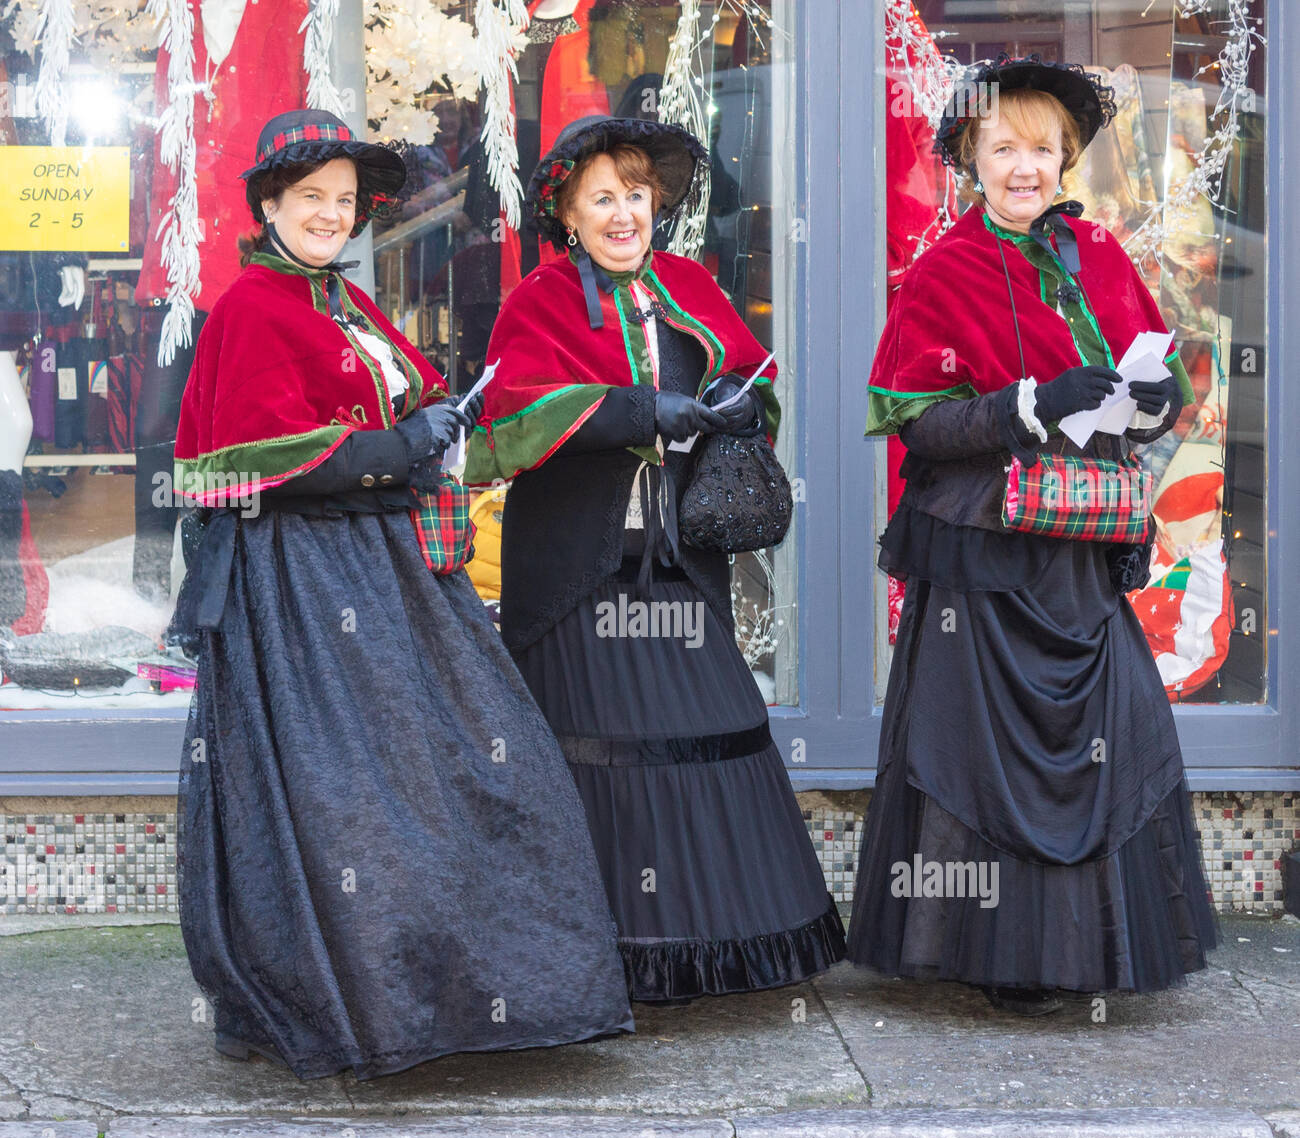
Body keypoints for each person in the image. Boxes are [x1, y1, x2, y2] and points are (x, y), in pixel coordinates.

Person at [171, 110, 634, 1079]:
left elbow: (409, 399)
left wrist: (435, 427)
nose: (332, 216)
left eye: (344, 202)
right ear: (269, 206)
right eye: (312, 201)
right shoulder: (254, 308)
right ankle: (353, 1001)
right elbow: (262, 465)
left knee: (456, 768)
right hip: (302, 581)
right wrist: (403, 448)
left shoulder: (341, 300)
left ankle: (456, 991)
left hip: (385, 569)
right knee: (342, 793)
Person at [847, 57, 1217, 1014]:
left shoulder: (1098, 255)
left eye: (1042, 149)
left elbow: (1158, 385)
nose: (1025, 166)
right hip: (982, 555)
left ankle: (1086, 952)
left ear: (1065, 159)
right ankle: (1000, 957)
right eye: (1003, 147)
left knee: (1112, 726)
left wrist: (1151, 400)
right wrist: (1026, 404)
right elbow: (918, 424)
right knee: (984, 753)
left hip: (1078, 550)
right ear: (971, 154)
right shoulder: (942, 270)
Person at [466, 116, 845, 1002]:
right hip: (575, 575)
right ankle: (591, 958)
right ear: (566, 210)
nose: (623, 213)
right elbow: (503, 432)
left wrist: (744, 410)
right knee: (589, 757)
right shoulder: (538, 301)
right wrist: (638, 413)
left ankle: (685, 952)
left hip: (681, 568)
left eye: (636, 194)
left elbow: (752, 381)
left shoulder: (690, 285)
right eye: (602, 197)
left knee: (704, 733)